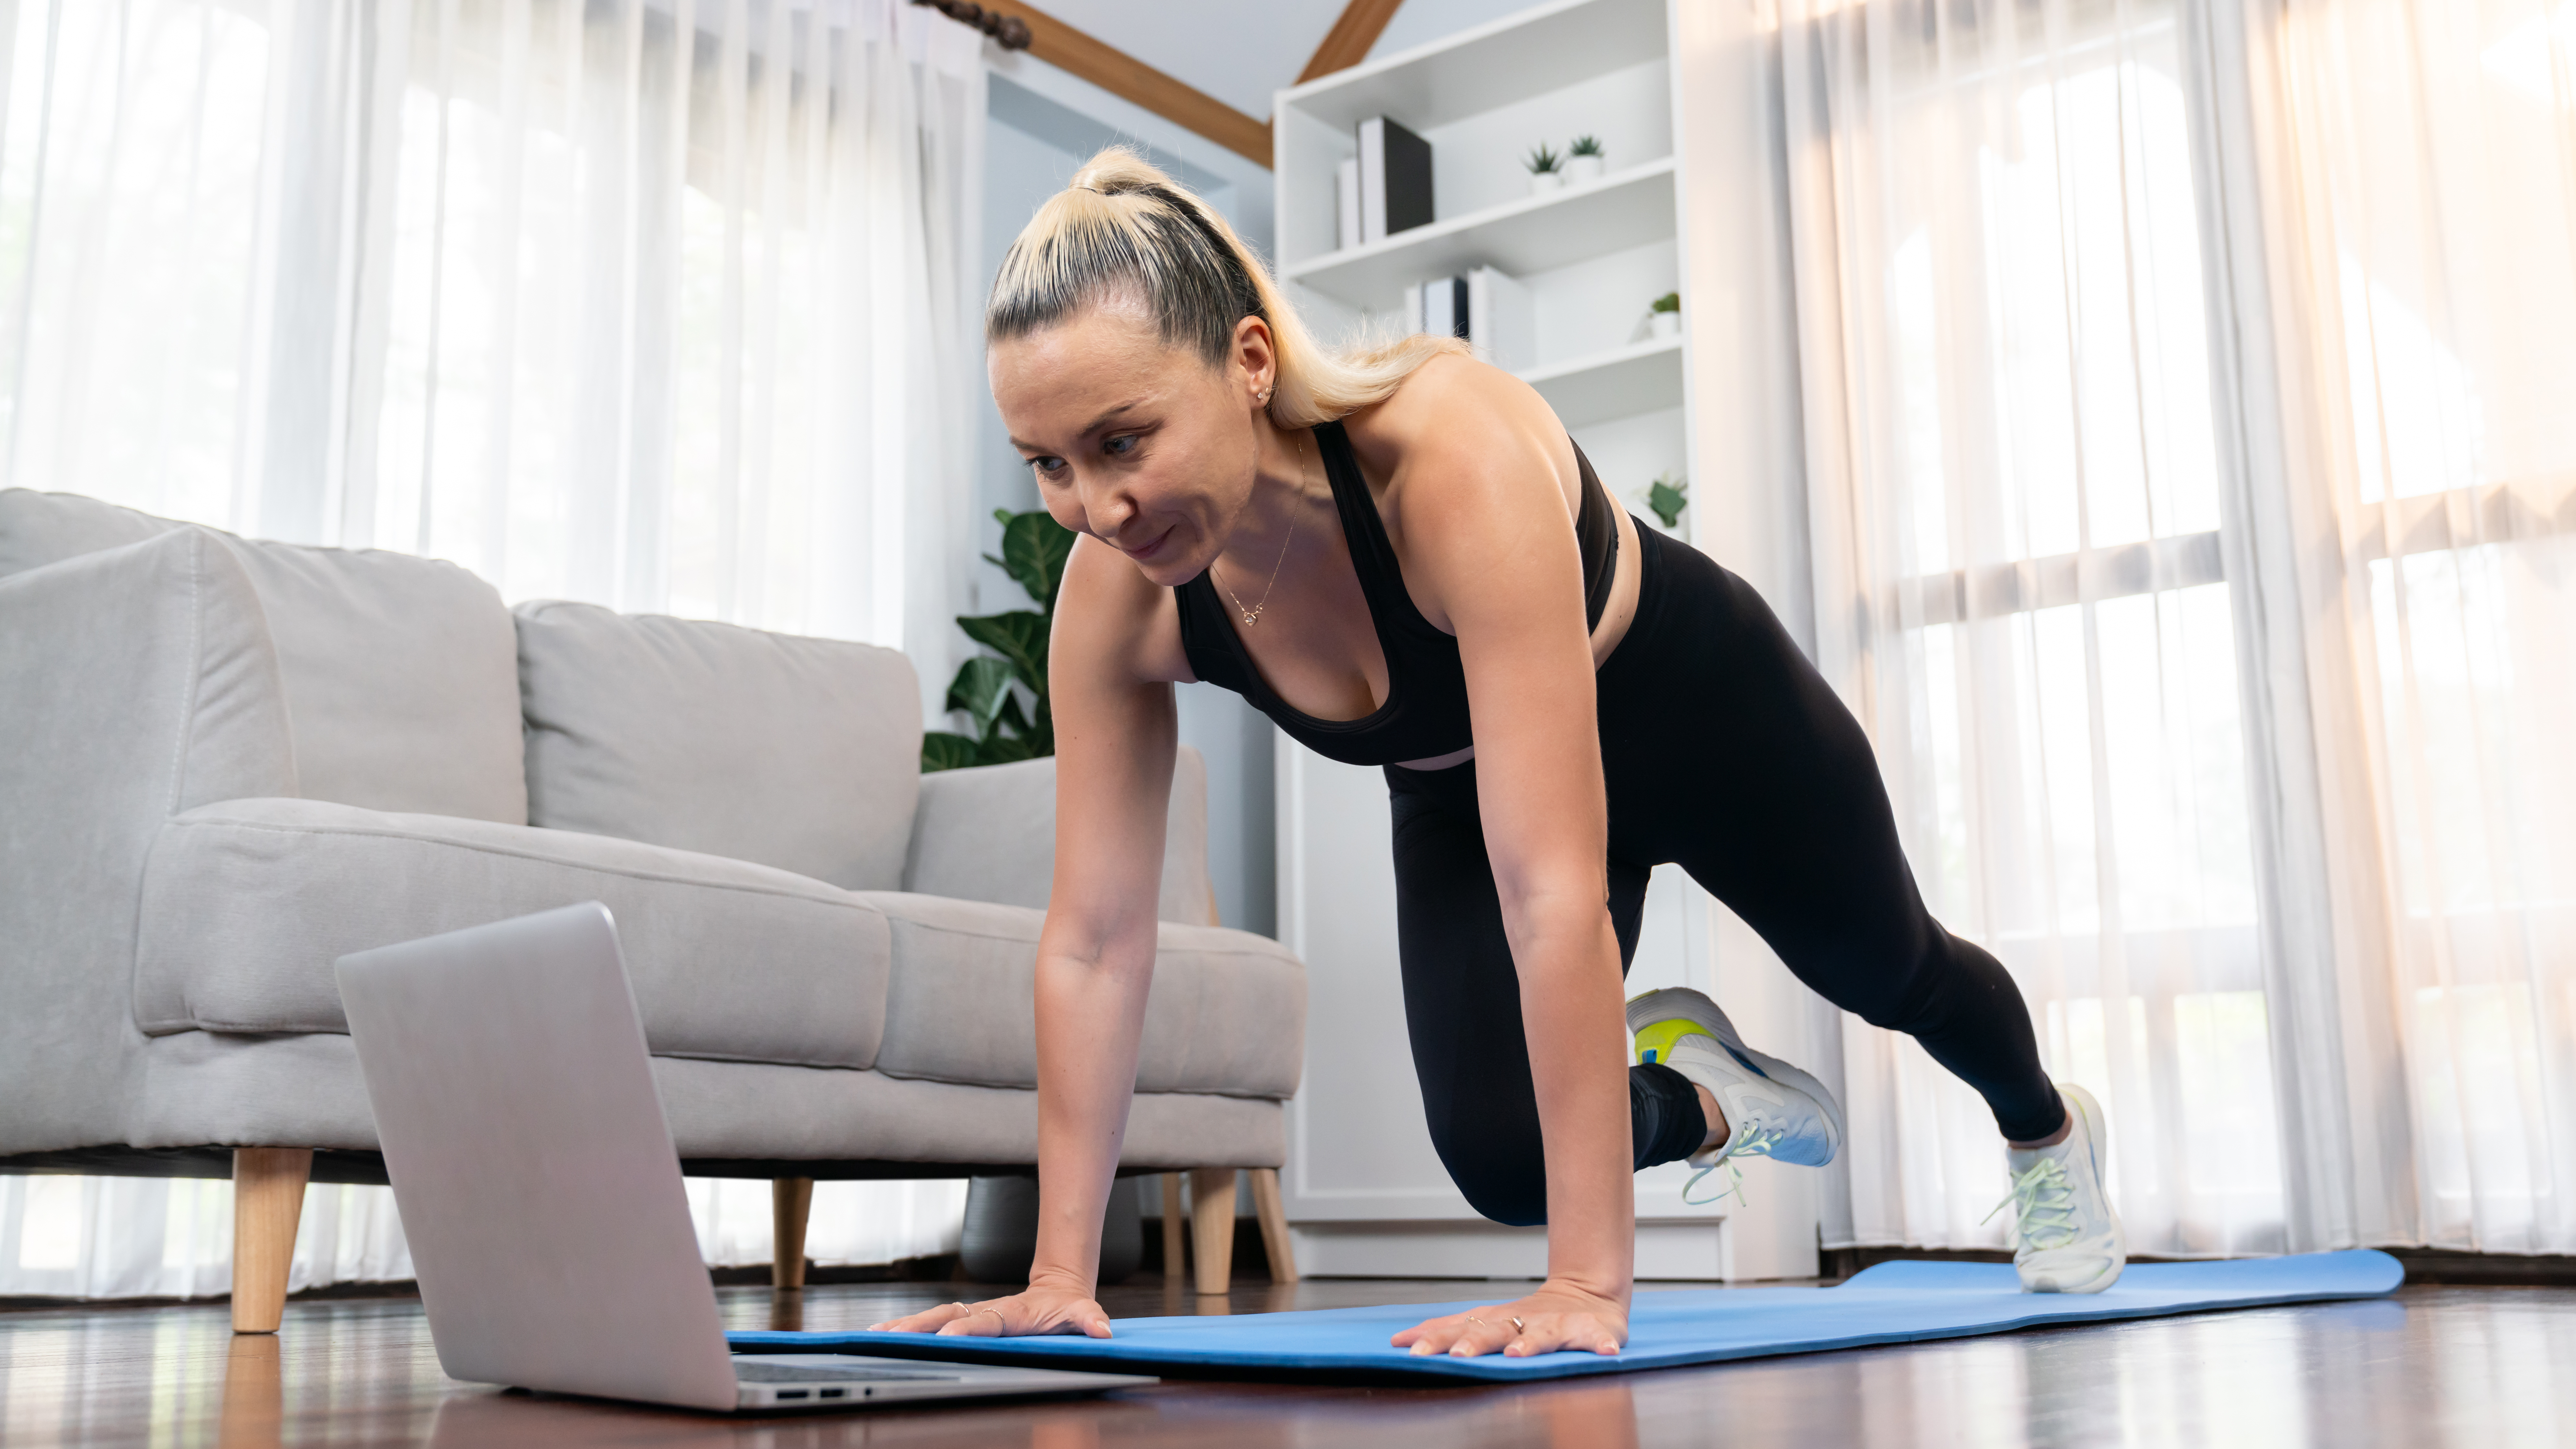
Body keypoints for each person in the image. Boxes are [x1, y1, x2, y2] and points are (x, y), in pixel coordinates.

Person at [871, 149, 2124, 1360]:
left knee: (1896, 969)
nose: (1096, 508)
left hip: (1698, 712)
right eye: (1051, 465)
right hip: (1464, 795)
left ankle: (2047, 1128)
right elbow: (1095, 940)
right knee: (1503, 1159)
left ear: (1250, 361)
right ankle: (1704, 1096)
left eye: (1124, 441)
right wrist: (1057, 1280)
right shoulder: (1118, 601)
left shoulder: (1444, 456)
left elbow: (1554, 888)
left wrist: (1588, 1285)